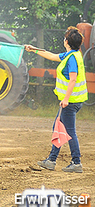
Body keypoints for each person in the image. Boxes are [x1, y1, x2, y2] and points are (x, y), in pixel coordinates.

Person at [25, 26, 88, 173]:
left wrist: (66, 99)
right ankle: (52, 160)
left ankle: (76, 162)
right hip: (74, 101)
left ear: (66, 42)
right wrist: (34, 49)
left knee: (69, 131)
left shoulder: (71, 58)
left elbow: (73, 80)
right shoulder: (73, 54)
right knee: (58, 127)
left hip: (71, 102)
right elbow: (51, 55)